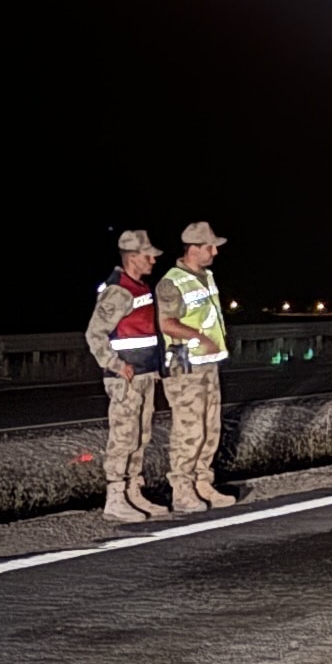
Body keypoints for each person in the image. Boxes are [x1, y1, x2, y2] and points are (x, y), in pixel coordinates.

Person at [153, 219, 237, 511]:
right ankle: (182, 489)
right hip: (185, 367)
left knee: (210, 428)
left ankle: (203, 482)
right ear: (193, 248)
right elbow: (167, 323)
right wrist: (199, 337)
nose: (215, 252)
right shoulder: (172, 282)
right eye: (210, 247)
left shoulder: (207, 277)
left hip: (208, 364)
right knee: (189, 430)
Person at [86, 225, 167, 519]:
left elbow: (144, 332)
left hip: (143, 374)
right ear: (133, 257)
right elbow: (95, 334)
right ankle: (115, 498)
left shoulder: (140, 288)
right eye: (148, 255)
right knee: (123, 437)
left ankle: (134, 491)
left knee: (141, 436)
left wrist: (153, 367)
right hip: (126, 378)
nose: (153, 260)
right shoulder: (118, 291)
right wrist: (116, 364)